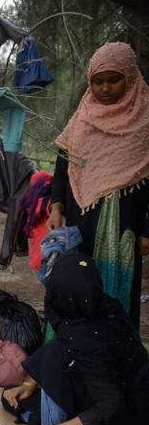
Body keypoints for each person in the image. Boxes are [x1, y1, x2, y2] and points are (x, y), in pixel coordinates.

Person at [5, 252, 149, 425]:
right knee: (26, 388)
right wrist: (29, 383)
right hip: (137, 409)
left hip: (119, 423)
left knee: (48, 366)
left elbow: (110, 404)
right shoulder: (106, 306)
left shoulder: (83, 337)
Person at [48, 42, 149, 328]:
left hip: (122, 225)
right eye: (98, 81)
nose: (105, 88)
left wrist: (147, 231)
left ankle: (115, 351)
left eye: (113, 80)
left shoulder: (145, 120)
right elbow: (61, 167)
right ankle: (72, 348)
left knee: (114, 288)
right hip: (79, 220)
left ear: (130, 76)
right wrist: (56, 206)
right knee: (75, 281)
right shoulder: (82, 118)